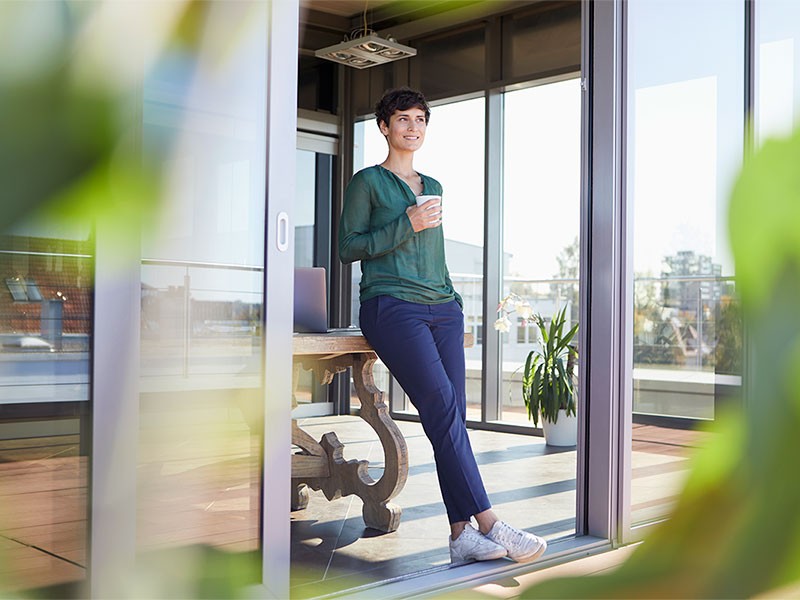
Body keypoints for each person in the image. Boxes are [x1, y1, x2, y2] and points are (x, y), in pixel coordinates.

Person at [338, 87, 547, 565]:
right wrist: (405, 224)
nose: (413, 127)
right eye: (403, 119)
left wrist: (453, 301)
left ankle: (460, 535)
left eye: (420, 120)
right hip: (391, 306)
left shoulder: (433, 183)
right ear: (385, 127)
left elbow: (435, 257)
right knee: (443, 407)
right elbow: (348, 247)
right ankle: (491, 524)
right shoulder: (367, 182)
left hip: (442, 309)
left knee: (450, 417)